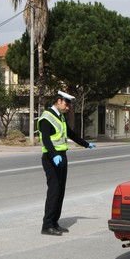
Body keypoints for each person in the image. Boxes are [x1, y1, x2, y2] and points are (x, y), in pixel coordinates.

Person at [38, 91, 96, 236]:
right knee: (53, 191)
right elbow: (46, 140)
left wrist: (85, 144)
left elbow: (71, 134)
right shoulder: (46, 118)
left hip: (62, 156)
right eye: (66, 104)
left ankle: (55, 222)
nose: (68, 107)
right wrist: (54, 155)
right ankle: (47, 225)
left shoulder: (60, 117)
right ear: (58, 101)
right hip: (51, 158)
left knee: (60, 192)